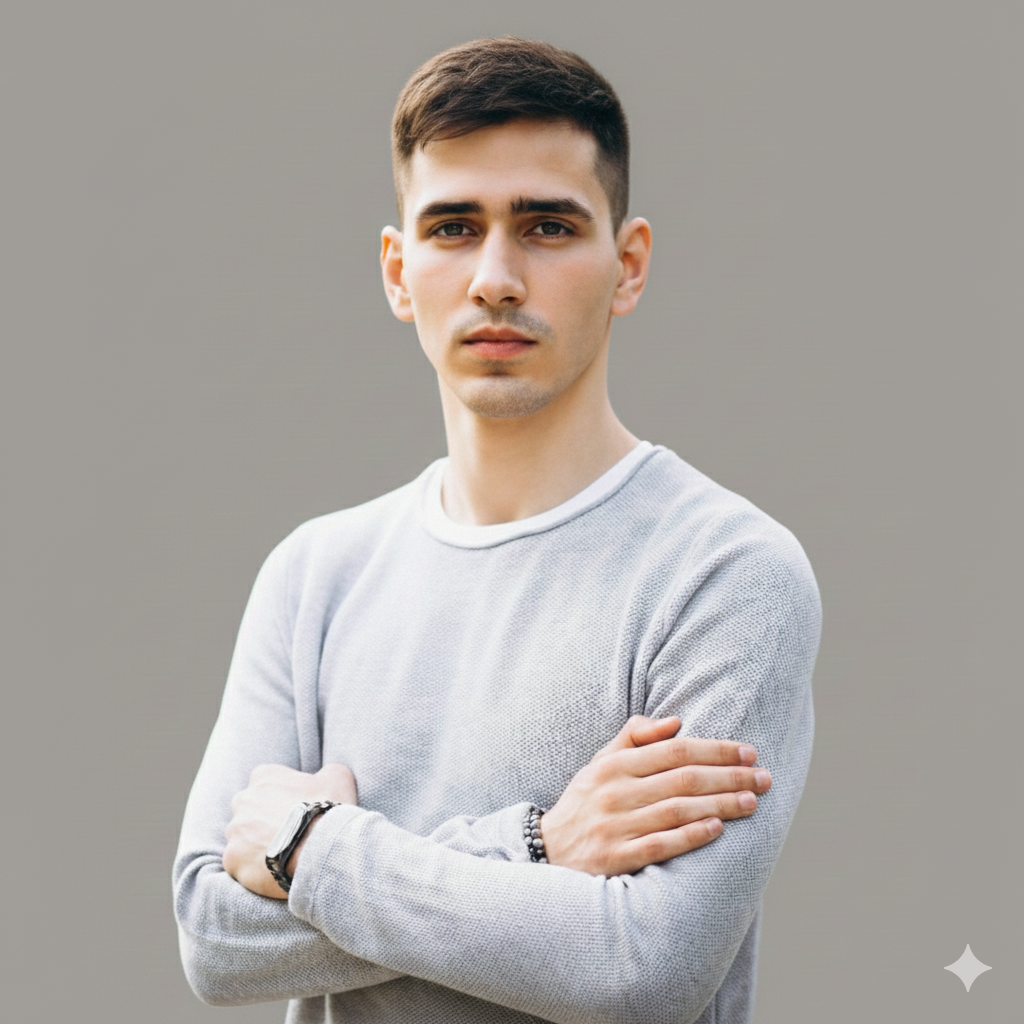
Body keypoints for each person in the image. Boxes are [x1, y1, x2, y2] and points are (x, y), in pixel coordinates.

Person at [173, 36, 820, 1024]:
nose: (495, 277)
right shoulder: (314, 575)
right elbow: (214, 938)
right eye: (453, 227)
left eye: (547, 226)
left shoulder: (726, 572)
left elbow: (643, 970)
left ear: (628, 265)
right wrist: (535, 847)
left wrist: (311, 849)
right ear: (398, 272)